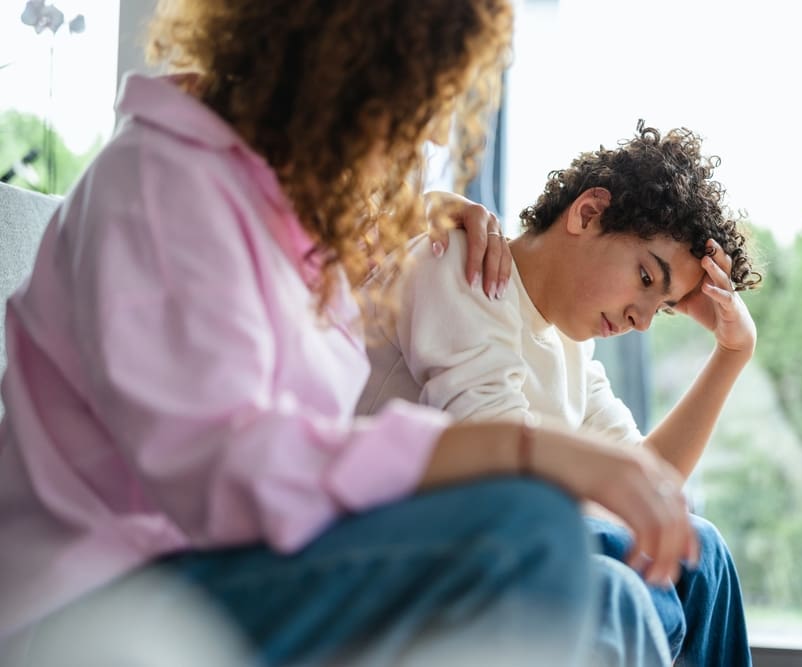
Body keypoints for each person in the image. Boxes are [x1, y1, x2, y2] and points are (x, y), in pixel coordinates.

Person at [0, 2, 700, 666]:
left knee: (614, 596)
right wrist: (521, 450)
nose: (431, 136)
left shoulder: (289, 224)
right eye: (420, 103)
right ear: (347, 73)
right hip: (112, 584)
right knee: (528, 530)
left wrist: (404, 216)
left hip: (236, 558)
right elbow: (227, 472)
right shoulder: (163, 182)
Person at [359, 122, 763, 666]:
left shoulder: (571, 349)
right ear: (588, 213)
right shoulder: (463, 260)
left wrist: (732, 353)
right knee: (644, 574)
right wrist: (618, 498)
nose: (642, 321)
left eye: (663, 307)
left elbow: (647, 483)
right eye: (647, 279)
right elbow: (507, 486)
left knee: (702, 550)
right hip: (404, 553)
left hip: (495, 547)